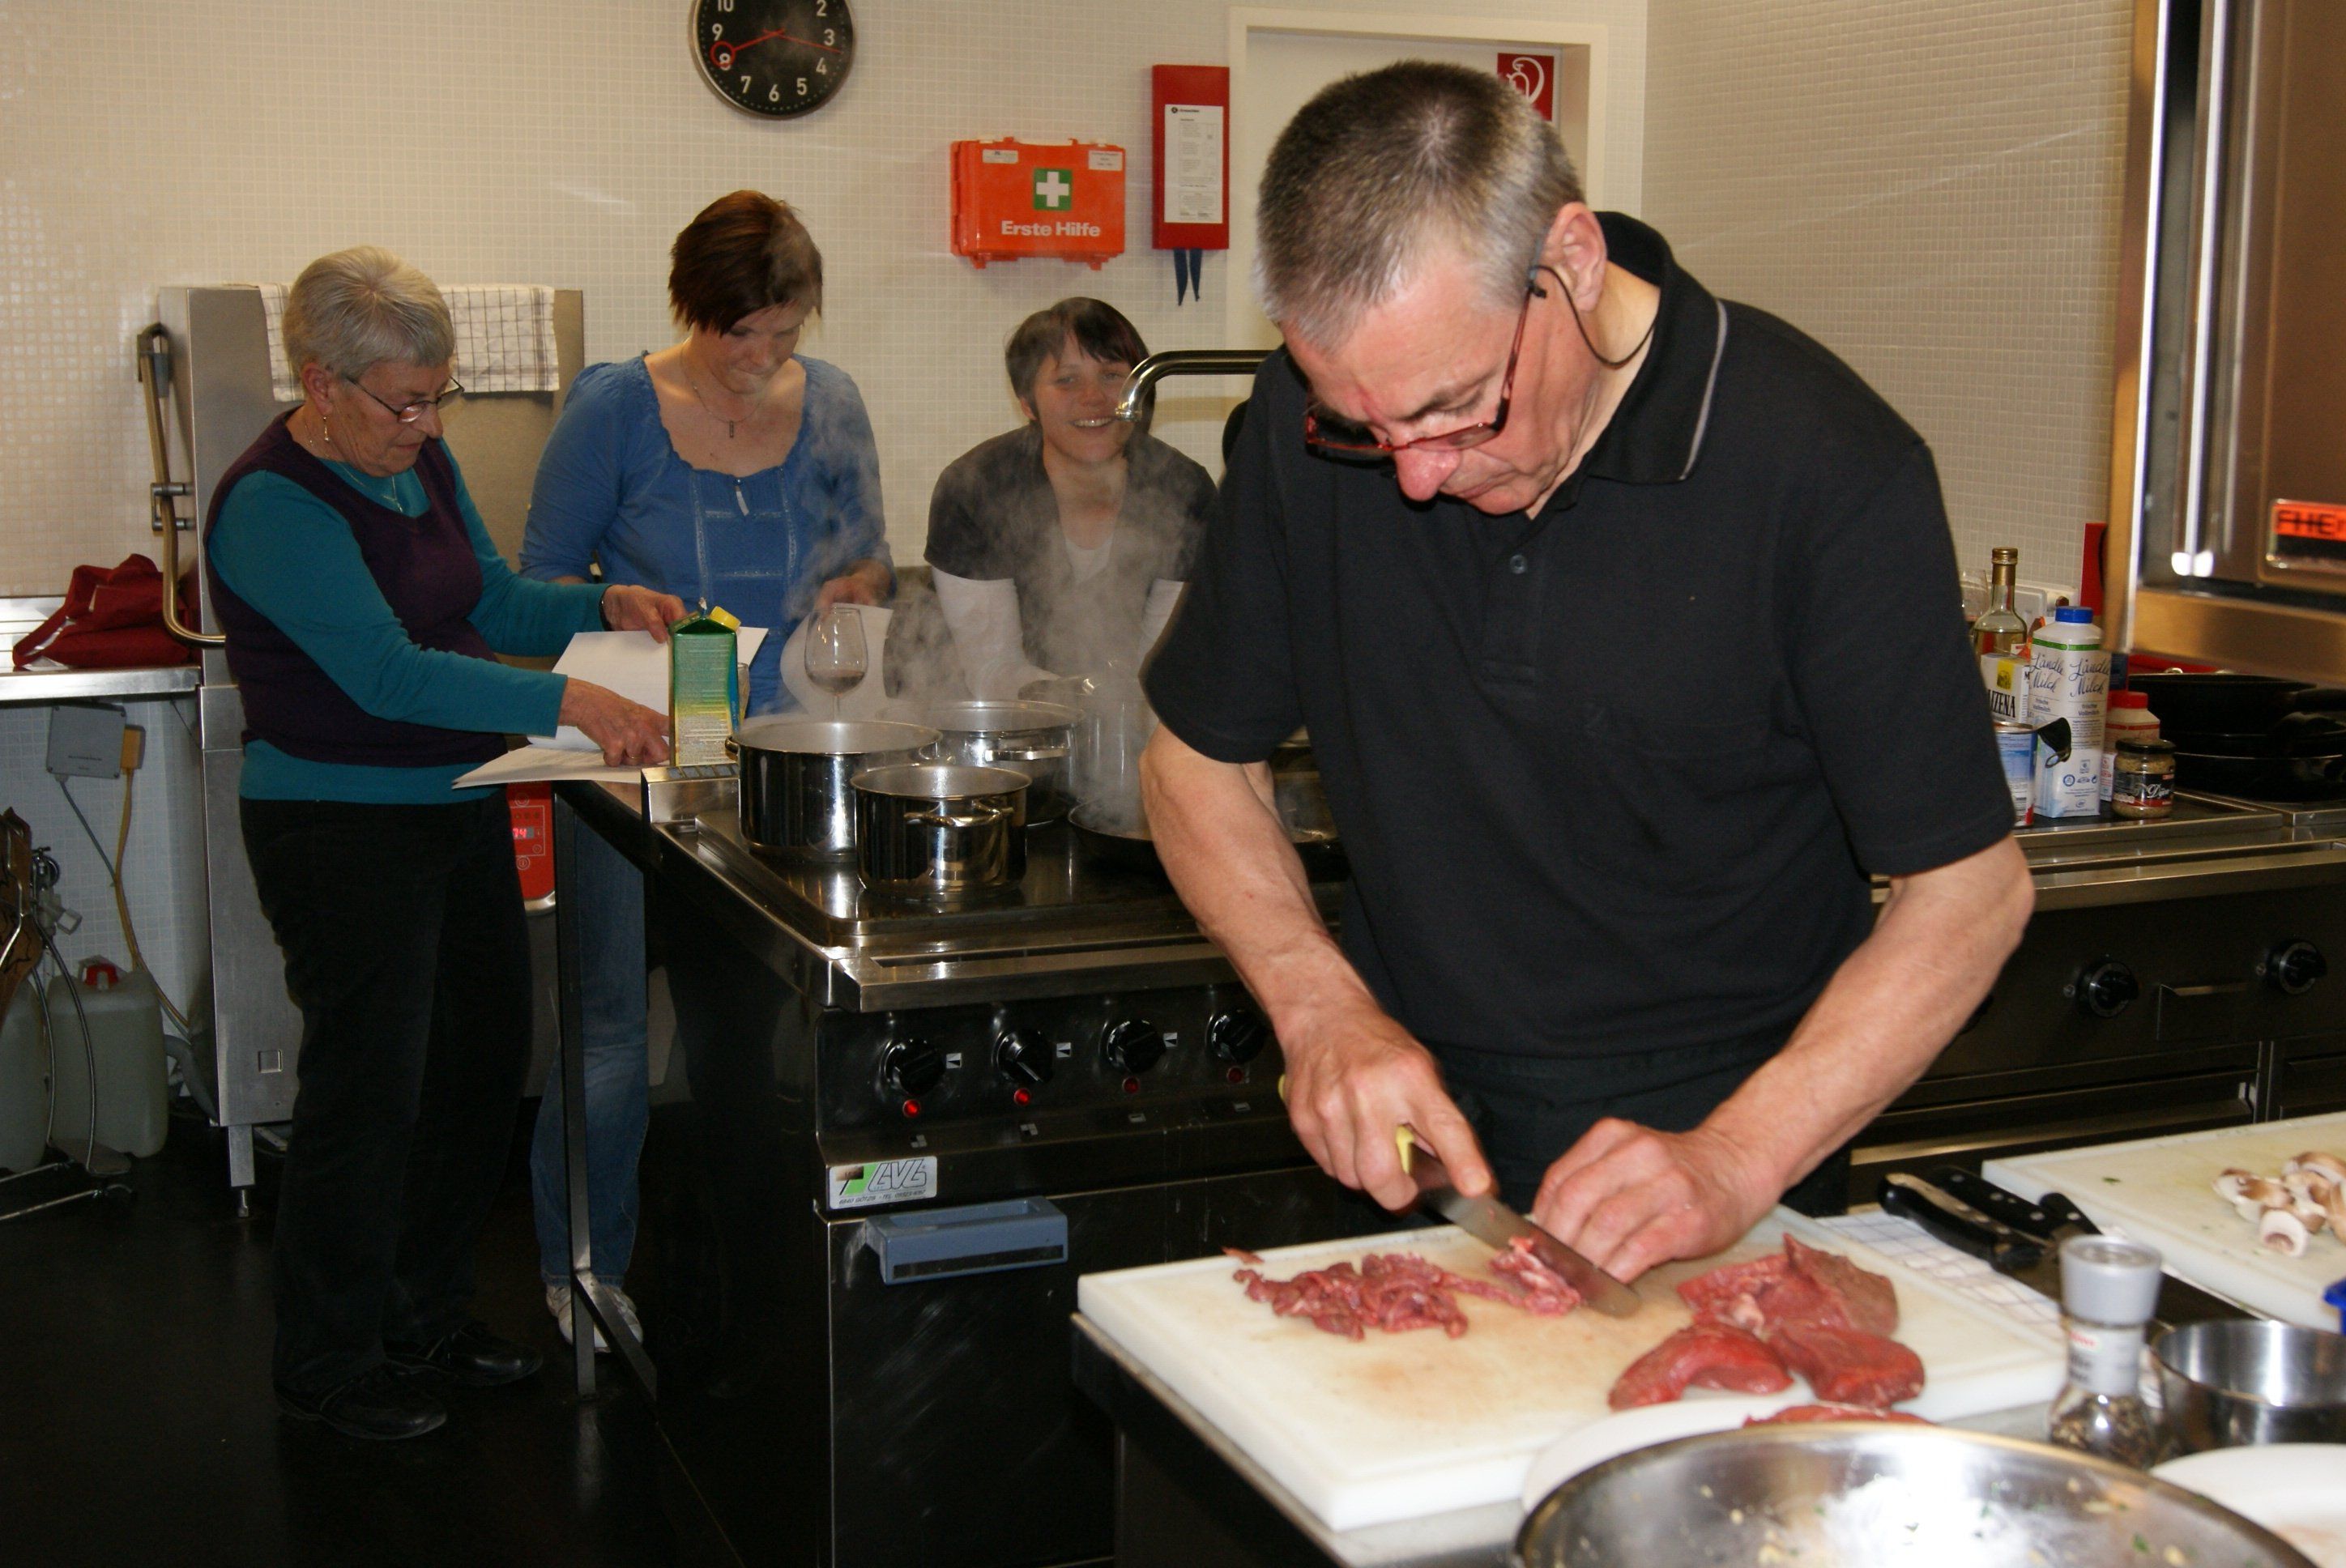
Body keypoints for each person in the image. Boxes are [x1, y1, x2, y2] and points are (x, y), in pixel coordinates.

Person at [1140, 62, 2036, 1285]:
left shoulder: (1821, 466)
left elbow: (1971, 894)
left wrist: (1737, 1156)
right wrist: (1318, 1008)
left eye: (1458, 408)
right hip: (1408, 1129)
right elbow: (1194, 761)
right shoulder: (1316, 429)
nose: (1413, 474)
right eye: (1364, 427)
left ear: (1568, 259)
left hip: (1716, 1152)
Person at [206, 246, 680, 1442]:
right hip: (334, 824)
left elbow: (491, 603)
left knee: (477, 1068)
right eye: (403, 403)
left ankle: (422, 1319)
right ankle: (327, 1360)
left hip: (451, 801)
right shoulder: (272, 503)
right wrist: (572, 701)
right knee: (370, 1092)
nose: (424, 425)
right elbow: (386, 673)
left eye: (437, 397)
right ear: (321, 383)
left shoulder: (419, 462)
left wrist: (600, 602)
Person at [520, 190, 891, 1349]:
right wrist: (609, 603)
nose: (765, 358)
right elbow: (537, 583)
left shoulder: (832, 404)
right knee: (610, 1031)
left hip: (778, 766)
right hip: (633, 756)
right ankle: (583, 1270)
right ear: (693, 307)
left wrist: (857, 589)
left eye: (786, 331)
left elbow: (873, 558)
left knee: (747, 1032)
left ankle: (758, 1275)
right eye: (743, 334)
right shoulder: (615, 410)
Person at [925, 298, 1216, 699]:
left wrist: (1117, 720)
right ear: (1027, 403)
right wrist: (1082, 700)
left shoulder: (1184, 489)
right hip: (1007, 721)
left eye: (1111, 375)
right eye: (1066, 380)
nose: (1093, 397)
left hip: (1140, 718)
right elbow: (992, 669)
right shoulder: (974, 488)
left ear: (1140, 391)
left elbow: (1163, 667)